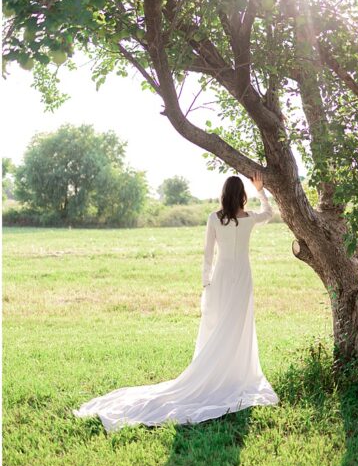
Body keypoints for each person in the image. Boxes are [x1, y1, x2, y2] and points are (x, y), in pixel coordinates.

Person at [75, 171, 279, 432]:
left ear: (223, 195)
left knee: (220, 327)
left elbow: (207, 255)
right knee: (237, 325)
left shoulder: (214, 219)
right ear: (241, 196)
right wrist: (260, 190)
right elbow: (269, 213)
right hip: (242, 277)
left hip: (221, 276)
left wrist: (207, 283)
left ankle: (223, 373)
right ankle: (231, 374)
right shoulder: (249, 218)